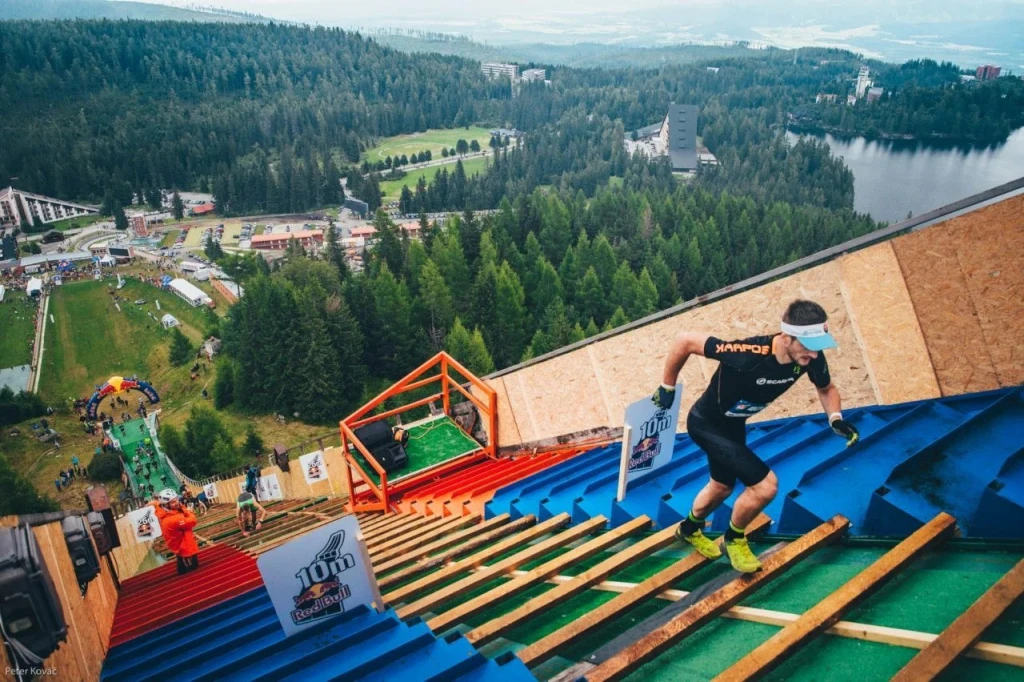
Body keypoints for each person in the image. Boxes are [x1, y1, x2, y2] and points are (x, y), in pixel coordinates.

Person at [653, 300, 860, 573]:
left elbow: (826, 389)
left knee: (721, 486)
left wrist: (835, 418)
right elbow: (686, 340)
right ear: (786, 338)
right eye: (808, 346)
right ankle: (734, 538)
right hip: (706, 424)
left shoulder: (811, 357)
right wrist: (667, 385)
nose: (814, 354)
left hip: (734, 425)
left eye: (818, 345)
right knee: (765, 486)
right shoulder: (748, 354)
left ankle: (690, 528)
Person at [149, 489, 200, 574]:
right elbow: (192, 521)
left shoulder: (163, 511)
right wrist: (189, 511)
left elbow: (158, 504)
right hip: (184, 546)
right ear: (166, 504)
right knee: (193, 570)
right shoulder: (173, 519)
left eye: (176, 499)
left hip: (177, 544)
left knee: (182, 564)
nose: (177, 503)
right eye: (173, 502)